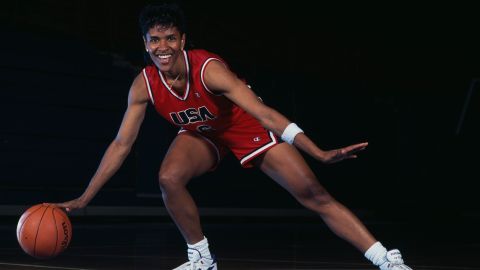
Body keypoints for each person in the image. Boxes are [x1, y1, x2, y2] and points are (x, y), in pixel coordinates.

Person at [55, 3, 413, 270]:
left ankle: (387, 260)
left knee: (313, 195)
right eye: (154, 40)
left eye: (169, 38)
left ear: (182, 40)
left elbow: (265, 113)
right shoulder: (144, 85)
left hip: (245, 124)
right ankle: (201, 258)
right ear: (145, 44)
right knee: (168, 177)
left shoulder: (210, 70)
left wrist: (316, 152)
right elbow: (121, 144)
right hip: (204, 132)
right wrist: (86, 198)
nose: (162, 47)